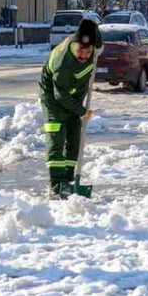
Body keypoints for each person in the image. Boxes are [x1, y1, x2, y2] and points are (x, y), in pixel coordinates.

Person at [40, 17, 100, 198]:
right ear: (74, 45)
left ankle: (69, 179)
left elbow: (97, 37)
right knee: (57, 139)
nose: (83, 55)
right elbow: (60, 96)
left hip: (73, 97)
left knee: (74, 138)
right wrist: (82, 111)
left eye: (87, 52)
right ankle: (57, 185)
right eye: (80, 51)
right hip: (54, 99)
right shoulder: (63, 63)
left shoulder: (93, 44)